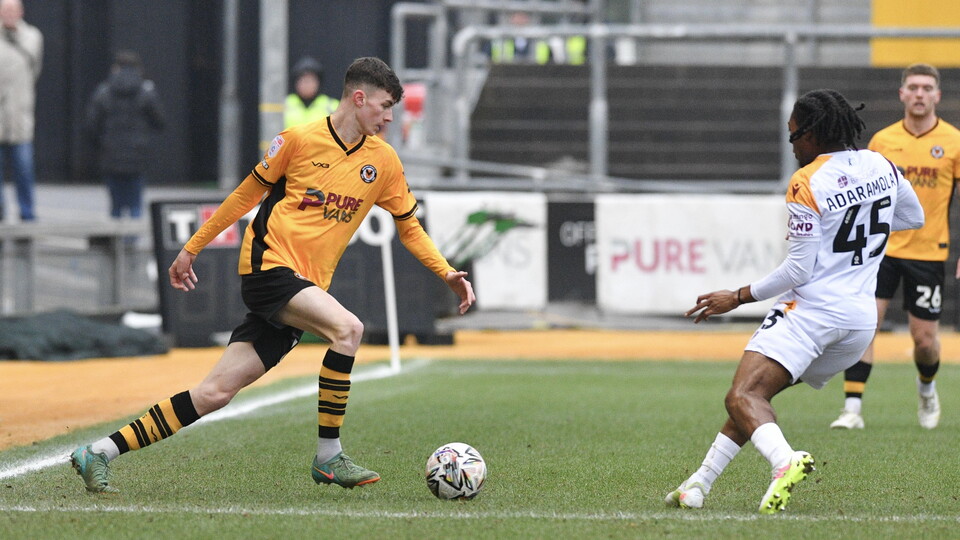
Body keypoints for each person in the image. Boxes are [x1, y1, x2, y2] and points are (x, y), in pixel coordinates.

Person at [69, 57, 476, 493]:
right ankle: (329, 457)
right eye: (384, 105)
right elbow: (245, 195)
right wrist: (192, 247)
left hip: (304, 286)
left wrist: (447, 271)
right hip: (269, 267)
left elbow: (409, 226)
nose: (390, 116)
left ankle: (99, 452)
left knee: (214, 394)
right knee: (348, 329)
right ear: (359, 99)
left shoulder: (384, 162)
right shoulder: (298, 140)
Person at [666, 89, 924, 513]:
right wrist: (859, 222)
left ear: (814, 133)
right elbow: (913, 217)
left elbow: (798, 272)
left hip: (812, 313)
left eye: (793, 137)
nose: (792, 147)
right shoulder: (881, 163)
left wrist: (737, 296)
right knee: (756, 397)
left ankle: (784, 462)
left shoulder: (807, 181)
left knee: (742, 395)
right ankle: (697, 485)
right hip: (858, 325)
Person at [830, 63, 960, 431]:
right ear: (902, 93)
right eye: (913, 87)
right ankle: (852, 409)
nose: (919, 94)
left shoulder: (954, 142)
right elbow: (864, 199)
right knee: (865, 325)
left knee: (924, 340)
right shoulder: (883, 142)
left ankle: (926, 387)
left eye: (926, 88)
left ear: (937, 95)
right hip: (881, 252)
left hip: (928, 252)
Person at [84, 50, 165, 220]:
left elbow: (92, 123)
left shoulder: (104, 90)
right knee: (135, 202)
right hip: (137, 154)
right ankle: (132, 239)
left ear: (115, 68)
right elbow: (159, 120)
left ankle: (116, 241)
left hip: (110, 153)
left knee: (116, 204)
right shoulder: (146, 91)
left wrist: (100, 143)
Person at [0, 0, 41, 222]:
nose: (8, 14)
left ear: (20, 12)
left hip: (20, 118)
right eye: (4, 10)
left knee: (24, 171)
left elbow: (35, 70)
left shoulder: (32, 36)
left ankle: (28, 216)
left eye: (12, 10)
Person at [284, 56, 339, 128]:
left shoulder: (332, 107)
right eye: (303, 80)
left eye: (311, 80)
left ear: (318, 83)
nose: (307, 85)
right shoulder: (284, 105)